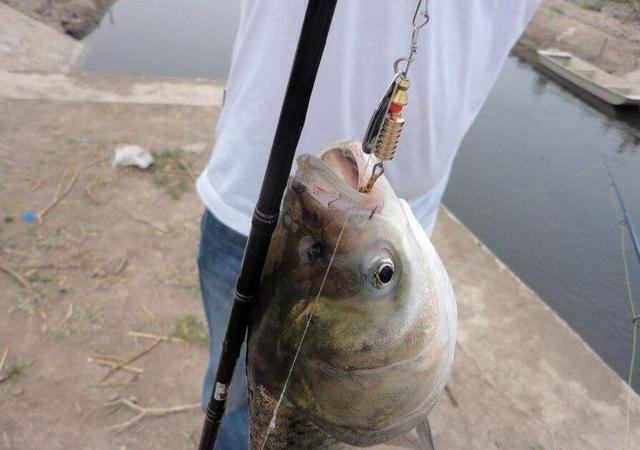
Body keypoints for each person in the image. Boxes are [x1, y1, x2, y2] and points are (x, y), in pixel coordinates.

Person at [196, 1, 540, 448]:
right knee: (234, 404)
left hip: (392, 209)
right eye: (384, 273)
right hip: (247, 200)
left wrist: (380, 264)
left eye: (384, 273)